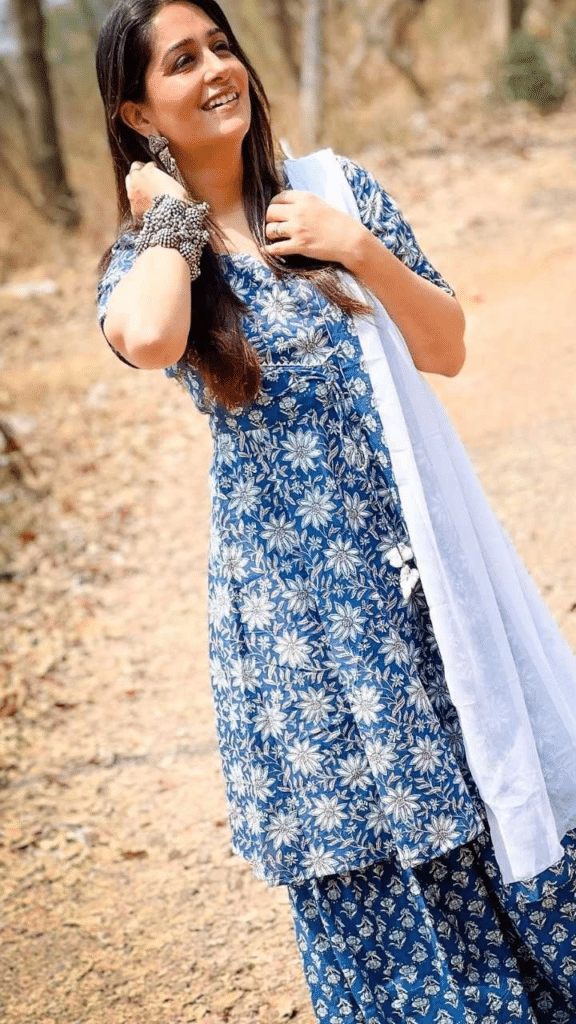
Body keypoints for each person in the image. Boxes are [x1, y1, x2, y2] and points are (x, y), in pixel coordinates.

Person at [95, 2, 576, 1020]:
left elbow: (445, 346)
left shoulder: (332, 191)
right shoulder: (155, 259)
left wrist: (356, 245)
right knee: (368, 839)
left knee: (490, 794)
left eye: (221, 45)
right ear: (137, 112)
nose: (217, 69)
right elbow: (146, 337)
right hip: (302, 617)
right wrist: (173, 220)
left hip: (425, 578)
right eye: (182, 62)